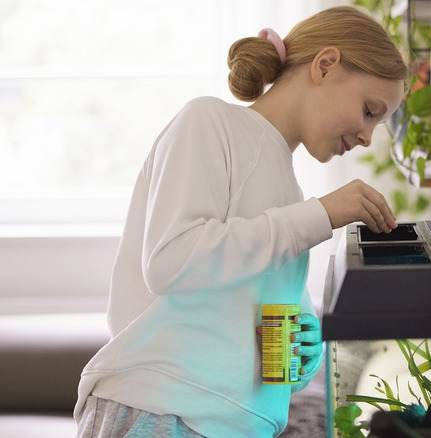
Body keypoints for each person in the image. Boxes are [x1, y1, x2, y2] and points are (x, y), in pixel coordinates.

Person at [74, 6, 408, 437]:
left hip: (238, 425)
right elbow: (172, 260)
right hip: (160, 410)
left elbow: (255, 313)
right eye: (368, 111)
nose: (367, 137)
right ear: (325, 66)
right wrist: (321, 213)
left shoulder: (291, 193)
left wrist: (304, 349)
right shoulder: (208, 122)